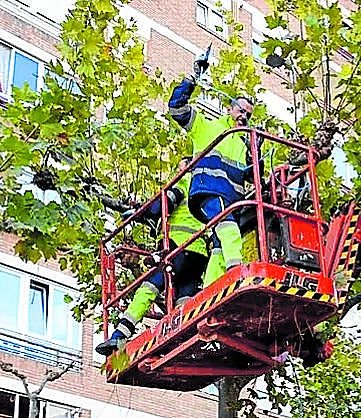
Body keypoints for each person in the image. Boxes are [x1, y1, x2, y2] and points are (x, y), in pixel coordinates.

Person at [95, 167, 210, 356]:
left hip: (179, 248)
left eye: (180, 166)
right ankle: (183, 339)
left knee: (149, 287)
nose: (177, 170)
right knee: (183, 299)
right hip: (198, 255)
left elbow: (163, 205)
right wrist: (141, 212)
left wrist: (142, 211)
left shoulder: (186, 179)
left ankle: (120, 334)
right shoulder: (202, 189)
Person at [167, 50, 256, 273]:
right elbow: (176, 108)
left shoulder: (244, 144)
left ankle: (212, 288)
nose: (243, 116)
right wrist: (192, 78)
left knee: (219, 243)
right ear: (230, 108)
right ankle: (237, 271)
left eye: (248, 114)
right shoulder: (208, 126)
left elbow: (253, 176)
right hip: (209, 191)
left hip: (232, 199)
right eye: (240, 110)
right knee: (229, 228)